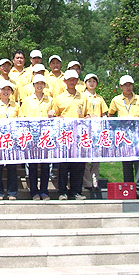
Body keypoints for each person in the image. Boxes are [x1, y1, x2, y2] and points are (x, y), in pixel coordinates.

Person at [108, 75, 139, 199]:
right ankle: (130, 189)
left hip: (138, 137)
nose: (128, 87)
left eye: (130, 84)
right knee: (126, 164)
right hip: (124, 138)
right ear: (121, 86)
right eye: (125, 85)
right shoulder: (116, 100)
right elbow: (110, 114)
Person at [52, 69, 89, 200]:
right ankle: (62, 191)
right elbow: (54, 116)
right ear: (65, 81)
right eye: (69, 80)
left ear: (77, 81)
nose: (72, 82)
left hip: (79, 136)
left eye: (74, 79)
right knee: (63, 165)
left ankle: (76, 191)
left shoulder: (83, 97)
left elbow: (88, 113)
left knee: (78, 165)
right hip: (64, 136)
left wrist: (88, 117)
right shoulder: (58, 98)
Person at [19, 74, 55, 200]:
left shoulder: (50, 100)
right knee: (32, 166)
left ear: (44, 85)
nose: (39, 86)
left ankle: (44, 191)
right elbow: (22, 118)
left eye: (42, 83)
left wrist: (52, 115)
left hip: (45, 137)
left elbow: (55, 118)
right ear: (33, 85)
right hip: (31, 138)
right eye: (37, 83)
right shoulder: (27, 101)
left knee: (45, 166)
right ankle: (34, 192)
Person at [0, 80, 20, 200]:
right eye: (3, 89)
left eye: (8, 90)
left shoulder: (15, 106)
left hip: (12, 139)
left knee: (12, 167)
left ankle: (12, 192)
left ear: (11, 92)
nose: (5, 92)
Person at [82, 73, 108, 191]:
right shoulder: (82, 96)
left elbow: (104, 113)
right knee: (86, 159)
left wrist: (104, 119)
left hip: (97, 130)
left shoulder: (100, 98)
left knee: (96, 158)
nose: (91, 83)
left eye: (94, 81)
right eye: (89, 81)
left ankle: (95, 182)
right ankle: (87, 183)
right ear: (85, 83)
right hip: (85, 130)